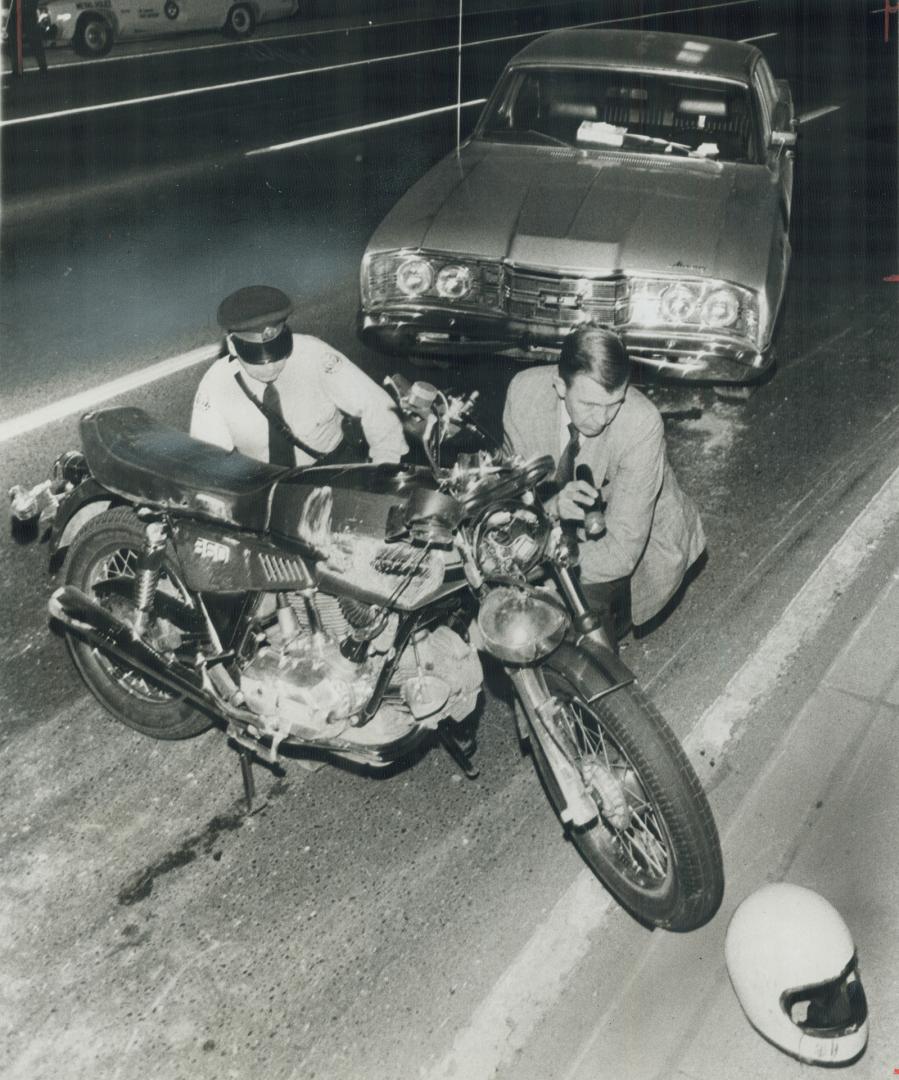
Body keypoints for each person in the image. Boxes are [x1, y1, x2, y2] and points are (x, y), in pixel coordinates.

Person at [503, 325, 705, 634]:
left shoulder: (640, 422)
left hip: (632, 546)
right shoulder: (523, 393)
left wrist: (539, 564)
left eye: (614, 403)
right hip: (556, 532)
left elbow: (621, 553)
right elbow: (512, 494)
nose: (602, 418)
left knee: (573, 624)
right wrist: (552, 506)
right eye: (589, 405)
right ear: (560, 386)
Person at [191, 286, 407, 467]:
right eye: (256, 358)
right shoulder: (216, 384)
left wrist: (383, 469)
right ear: (232, 345)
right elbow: (209, 460)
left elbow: (377, 407)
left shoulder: (314, 355)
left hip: (331, 468)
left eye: (277, 354)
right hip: (265, 484)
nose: (270, 367)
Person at [5, 0, 48, 75]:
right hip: (26, 11)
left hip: (18, 12)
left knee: (16, 42)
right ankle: (42, 66)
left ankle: (17, 68)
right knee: (34, 41)